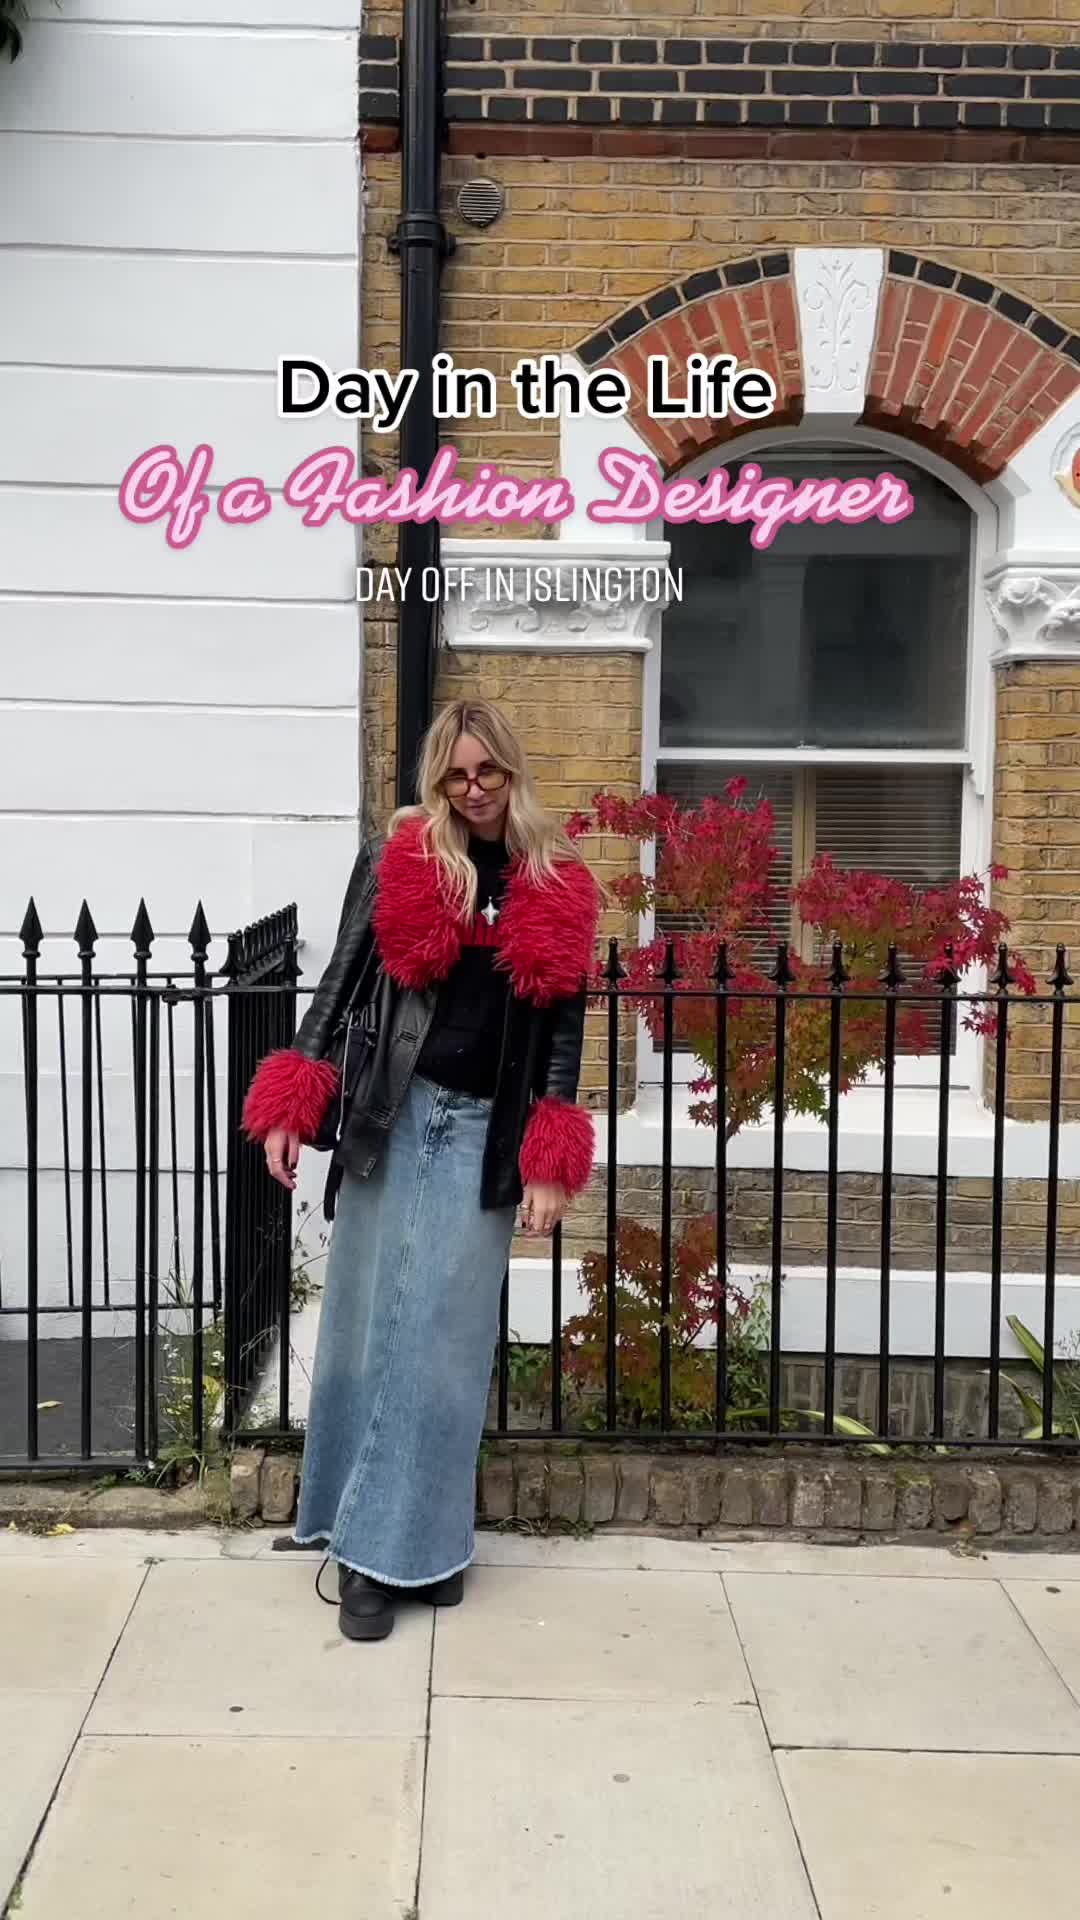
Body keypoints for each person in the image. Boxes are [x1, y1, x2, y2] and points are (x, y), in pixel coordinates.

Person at [240, 698, 603, 1642]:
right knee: (370, 1330)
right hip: (394, 1118)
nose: (474, 791)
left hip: (485, 1132)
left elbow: (563, 1033)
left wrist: (549, 1159)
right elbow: (341, 983)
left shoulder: (557, 879)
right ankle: (369, 1553)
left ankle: (427, 1544)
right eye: (457, 776)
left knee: (443, 1345)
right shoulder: (400, 856)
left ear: (513, 772)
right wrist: (292, 1100)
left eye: (489, 773)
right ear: (437, 780)